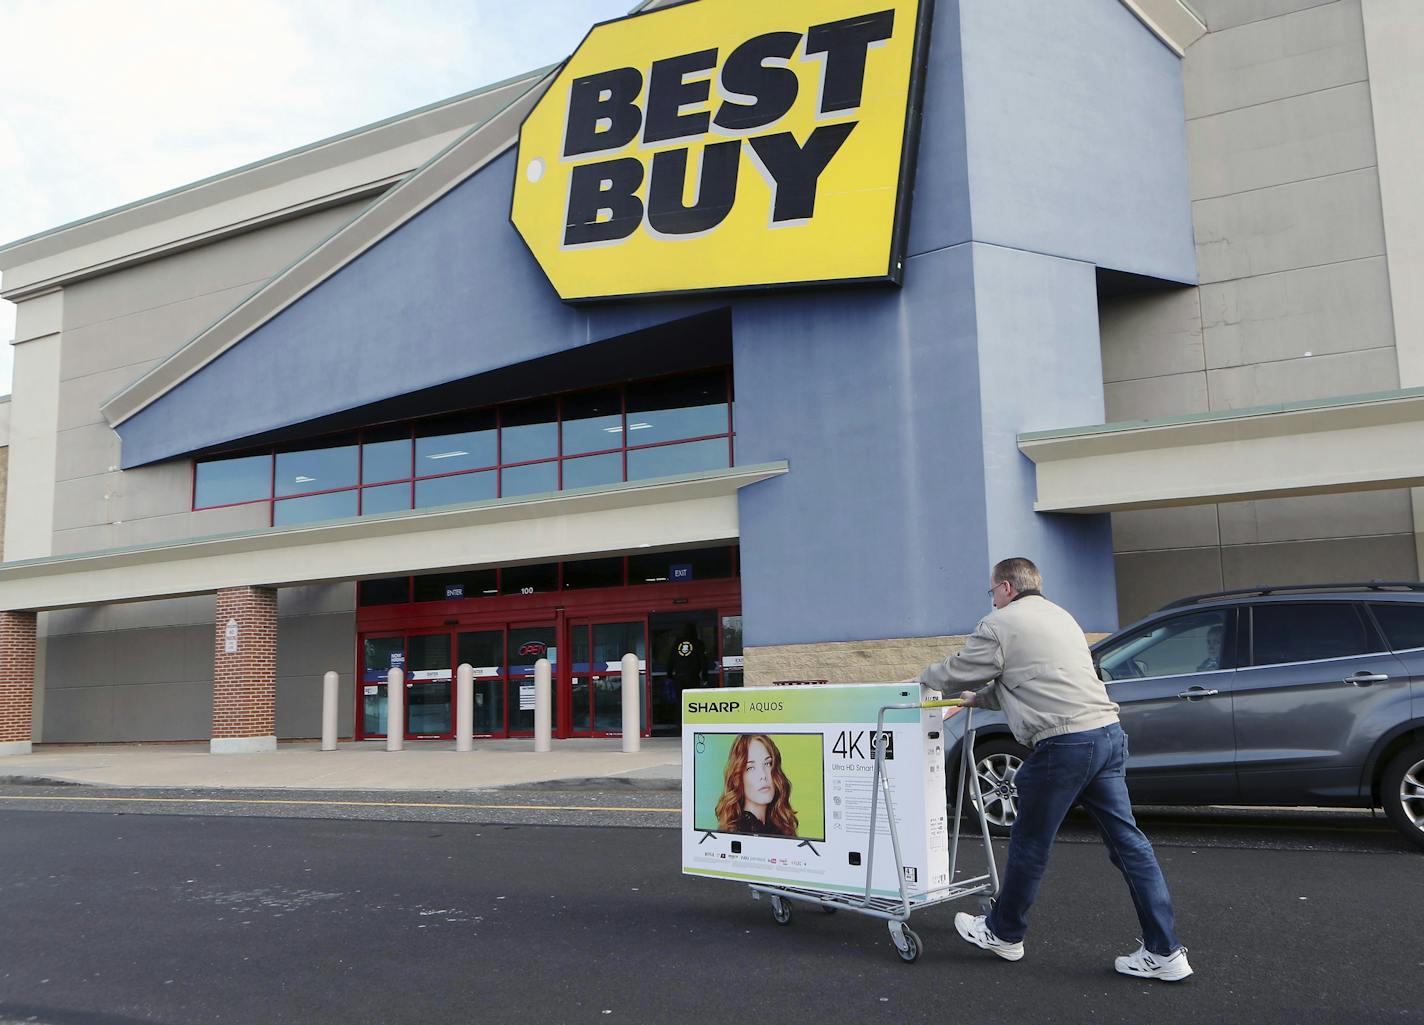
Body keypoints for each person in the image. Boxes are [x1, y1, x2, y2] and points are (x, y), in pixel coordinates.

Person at [919, 557, 1192, 982]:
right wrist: (980, 699)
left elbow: (954, 672)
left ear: (1006, 587)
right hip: (1106, 735)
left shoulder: (999, 623)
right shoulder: (1062, 618)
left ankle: (1004, 932)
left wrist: (918, 679)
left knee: (1030, 844)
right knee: (1129, 845)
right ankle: (1165, 951)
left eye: (992, 590)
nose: (991, 598)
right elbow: (1033, 679)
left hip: (1063, 745)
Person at [714, 734, 799, 837]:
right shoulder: (735, 834)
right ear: (738, 778)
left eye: (767, 764)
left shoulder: (781, 826)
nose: (763, 775)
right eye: (750, 768)